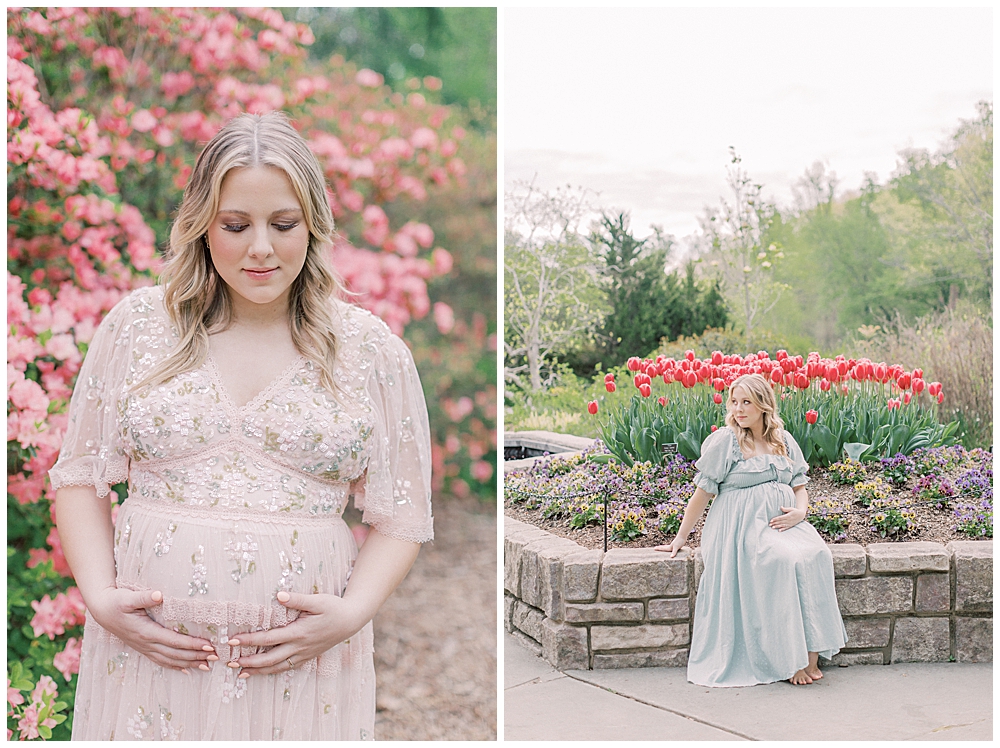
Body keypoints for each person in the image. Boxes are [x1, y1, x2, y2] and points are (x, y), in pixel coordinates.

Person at [49, 112, 433, 740]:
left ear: (312, 225)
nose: (261, 247)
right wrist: (99, 595)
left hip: (302, 671)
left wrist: (351, 614)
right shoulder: (137, 327)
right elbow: (81, 475)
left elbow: (404, 516)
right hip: (149, 664)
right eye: (235, 225)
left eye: (283, 225)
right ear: (202, 225)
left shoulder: (370, 352)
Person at [654, 373, 846, 687]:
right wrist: (679, 538)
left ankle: (811, 654)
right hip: (740, 528)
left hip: (785, 524)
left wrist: (800, 511)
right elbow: (701, 494)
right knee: (782, 562)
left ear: (763, 405)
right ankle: (790, 660)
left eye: (747, 402)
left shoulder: (781, 438)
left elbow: (800, 485)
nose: (739, 409)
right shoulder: (726, 440)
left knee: (817, 555)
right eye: (735, 402)